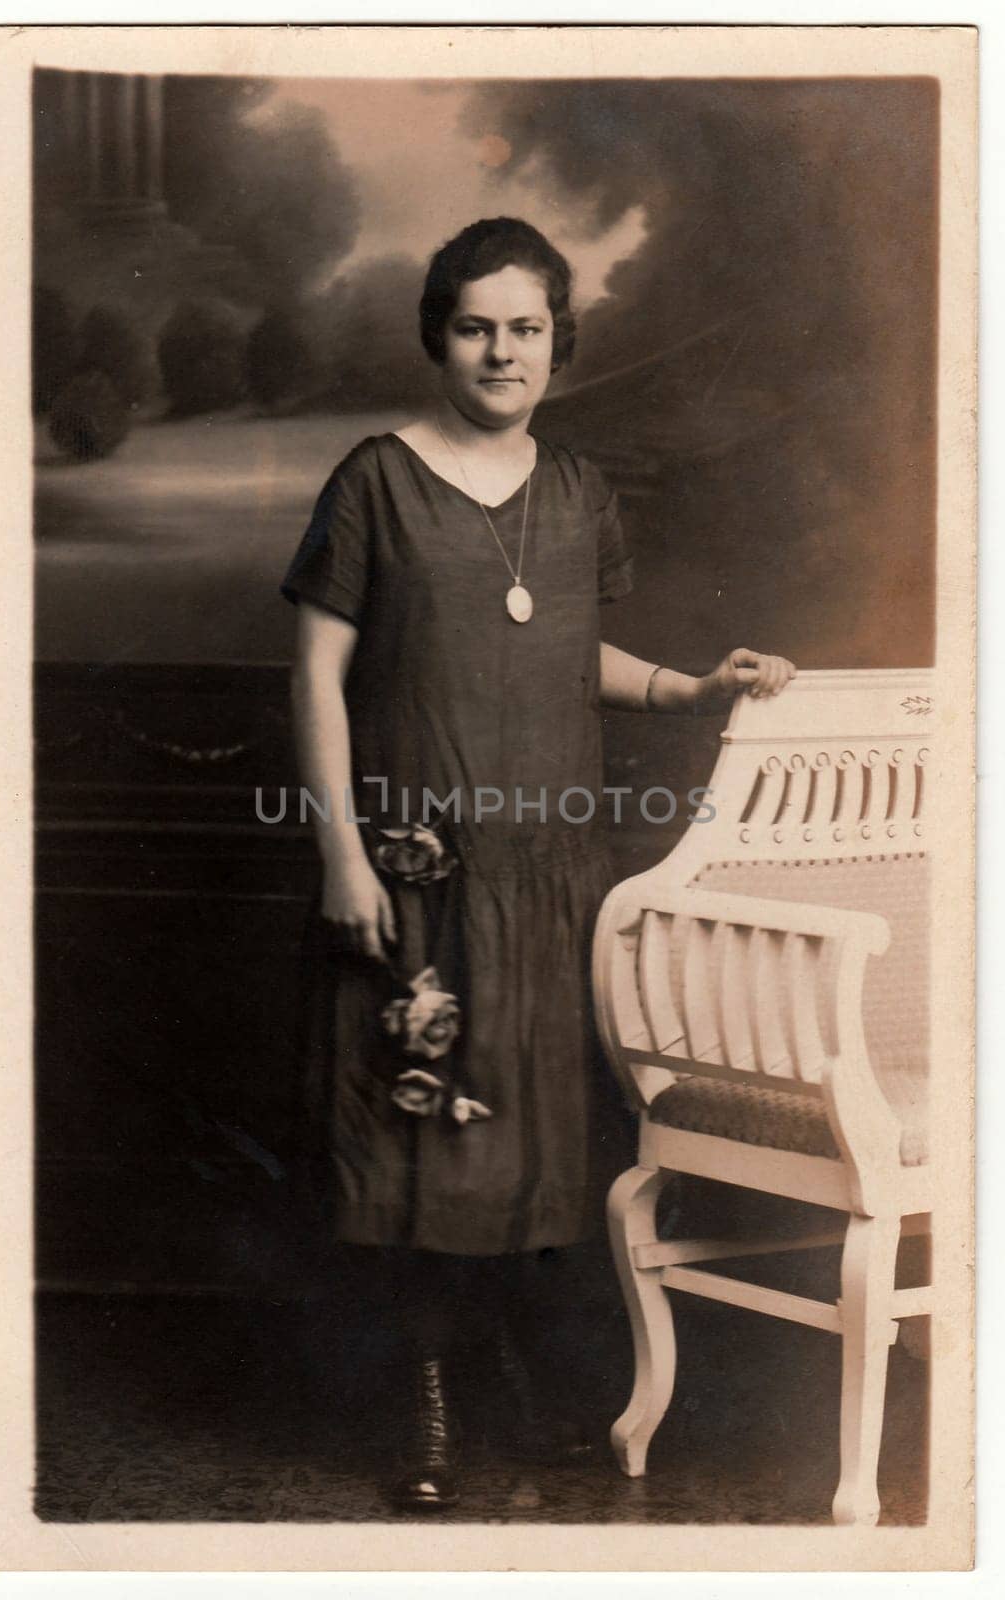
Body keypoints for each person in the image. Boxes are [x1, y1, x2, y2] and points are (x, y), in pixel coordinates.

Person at [281, 217, 795, 1511]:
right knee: (420, 1153)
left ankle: (510, 1385)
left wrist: (687, 685)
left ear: (555, 342)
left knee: (531, 1155)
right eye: (472, 325)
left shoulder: (574, 493)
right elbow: (317, 676)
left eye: (522, 327)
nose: (498, 350)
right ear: (437, 337)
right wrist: (342, 856)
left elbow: (570, 656)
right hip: (419, 879)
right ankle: (427, 1412)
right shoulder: (375, 481)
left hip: (551, 879)